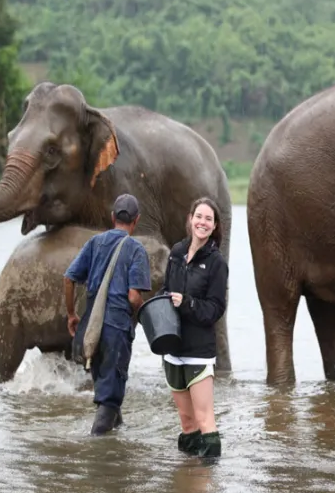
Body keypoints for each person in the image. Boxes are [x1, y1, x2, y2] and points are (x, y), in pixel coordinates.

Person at [64, 193, 152, 435]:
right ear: (136, 220)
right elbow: (134, 296)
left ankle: (118, 436)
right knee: (110, 398)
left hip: (91, 330)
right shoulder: (135, 249)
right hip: (116, 330)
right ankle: (97, 456)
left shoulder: (95, 243)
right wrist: (147, 314)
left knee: (107, 387)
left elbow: (69, 278)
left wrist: (72, 315)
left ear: (113, 217)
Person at [159, 197, 228, 458]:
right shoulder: (176, 252)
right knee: (187, 421)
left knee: (204, 418)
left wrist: (186, 303)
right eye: (198, 216)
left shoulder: (216, 263)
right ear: (190, 219)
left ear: (214, 226)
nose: (202, 222)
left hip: (198, 351)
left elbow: (215, 309)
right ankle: (187, 480)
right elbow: (167, 289)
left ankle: (208, 485)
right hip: (172, 347)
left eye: (208, 219)